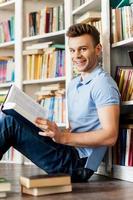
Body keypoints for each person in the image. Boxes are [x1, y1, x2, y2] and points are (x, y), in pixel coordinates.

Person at [0, 24, 120, 182]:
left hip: (79, 164)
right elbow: (74, 130)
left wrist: (62, 137)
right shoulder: (73, 84)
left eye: (83, 49)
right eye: (72, 50)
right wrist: (53, 131)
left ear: (97, 49)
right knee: (12, 117)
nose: (77, 55)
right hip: (68, 150)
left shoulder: (103, 84)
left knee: (10, 124)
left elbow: (110, 136)